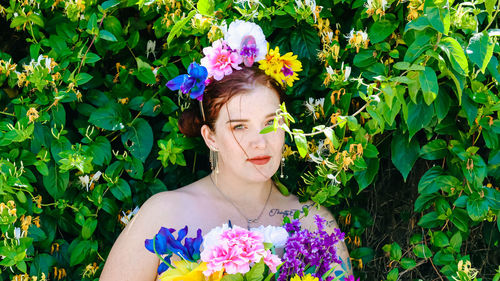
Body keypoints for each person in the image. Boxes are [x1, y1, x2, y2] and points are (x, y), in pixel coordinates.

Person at [100, 20, 352, 281]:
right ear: (211, 137)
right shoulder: (164, 215)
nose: (260, 142)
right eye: (240, 126)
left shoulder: (315, 224)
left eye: (271, 122)